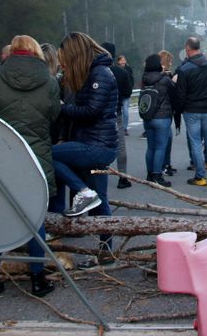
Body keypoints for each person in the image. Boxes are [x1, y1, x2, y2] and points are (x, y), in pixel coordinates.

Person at [0, 35, 61, 300]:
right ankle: (37, 278)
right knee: (35, 218)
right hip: (36, 152)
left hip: (2, 152)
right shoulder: (50, 82)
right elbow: (53, 117)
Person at [52, 32, 117, 256]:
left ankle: (82, 191)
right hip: (94, 144)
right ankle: (106, 253)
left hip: (97, 147)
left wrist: (60, 106)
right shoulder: (93, 72)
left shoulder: (100, 73)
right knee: (101, 201)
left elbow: (92, 111)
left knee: (47, 155)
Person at [175, 37, 207, 186]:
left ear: (188, 49)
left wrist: (180, 110)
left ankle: (200, 176)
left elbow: (180, 94)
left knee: (195, 142)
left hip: (192, 110)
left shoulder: (184, 69)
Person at [101, 42, 133, 189]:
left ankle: (98, 176)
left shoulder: (95, 71)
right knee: (120, 145)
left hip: (98, 113)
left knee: (99, 145)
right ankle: (123, 176)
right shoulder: (121, 72)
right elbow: (127, 92)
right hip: (116, 112)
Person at [141, 54, 174, 186]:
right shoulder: (164, 79)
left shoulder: (144, 79)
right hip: (162, 116)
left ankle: (149, 174)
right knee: (161, 147)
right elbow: (174, 90)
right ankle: (157, 175)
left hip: (148, 117)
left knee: (151, 147)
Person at [116, 55, 135, 135]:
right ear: (118, 62)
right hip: (117, 94)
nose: (123, 61)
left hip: (126, 94)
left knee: (125, 111)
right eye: (121, 60)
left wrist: (130, 89)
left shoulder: (128, 69)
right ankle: (118, 127)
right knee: (117, 111)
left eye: (124, 60)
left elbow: (131, 80)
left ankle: (125, 128)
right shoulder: (115, 70)